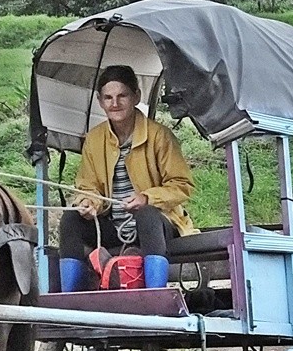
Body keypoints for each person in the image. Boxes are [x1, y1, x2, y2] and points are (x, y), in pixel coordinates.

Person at [59, 65, 197, 268]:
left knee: (147, 215)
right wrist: (89, 203)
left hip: (158, 226)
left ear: (136, 96)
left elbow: (183, 185)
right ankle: (72, 296)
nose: (115, 103)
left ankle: (154, 291)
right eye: (108, 98)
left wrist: (147, 198)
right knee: (71, 218)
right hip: (113, 228)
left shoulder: (160, 136)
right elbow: (87, 186)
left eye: (122, 96)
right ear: (100, 101)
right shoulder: (94, 139)